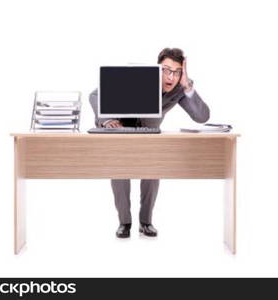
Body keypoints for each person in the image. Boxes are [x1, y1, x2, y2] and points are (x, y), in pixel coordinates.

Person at [89, 48, 210, 238]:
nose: (171, 76)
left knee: (153, 171)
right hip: (122, 129)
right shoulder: (139, 77)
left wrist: (187, 87)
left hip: (150, 134)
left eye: (177, 72)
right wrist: (107, 120)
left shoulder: (180, 87)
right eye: (166, 70)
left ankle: (145, 222)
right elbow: (95, 95)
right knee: (119, 172)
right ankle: (124, 223)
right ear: (157, 69)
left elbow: (202, 116)